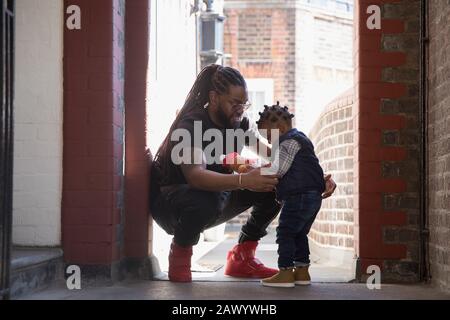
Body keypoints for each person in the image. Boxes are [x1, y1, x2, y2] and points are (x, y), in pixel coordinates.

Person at [150, 64, 336, 282]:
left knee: (276, 183)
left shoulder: (239, 124)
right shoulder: (192, 124)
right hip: (174, 204)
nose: (240, 109)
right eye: (234, 103)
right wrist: (243, 179)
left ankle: (242, 257)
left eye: (244, 103)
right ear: (215, 97)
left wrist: (312, 178)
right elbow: (196, 176)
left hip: (216, 198)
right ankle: (180, 255)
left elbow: (277, 155)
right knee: (203, 201)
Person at [256, 103, 325, 288]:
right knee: (299, 233)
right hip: (312, 196)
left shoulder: (288, 142)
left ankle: (285, 272)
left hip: (298, 195)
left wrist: (254, 173)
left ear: (280, 128)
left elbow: (278, 170)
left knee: (285, 232)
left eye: (269, 136)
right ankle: (302, 272)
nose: (269, 141)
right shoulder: (301, 140)